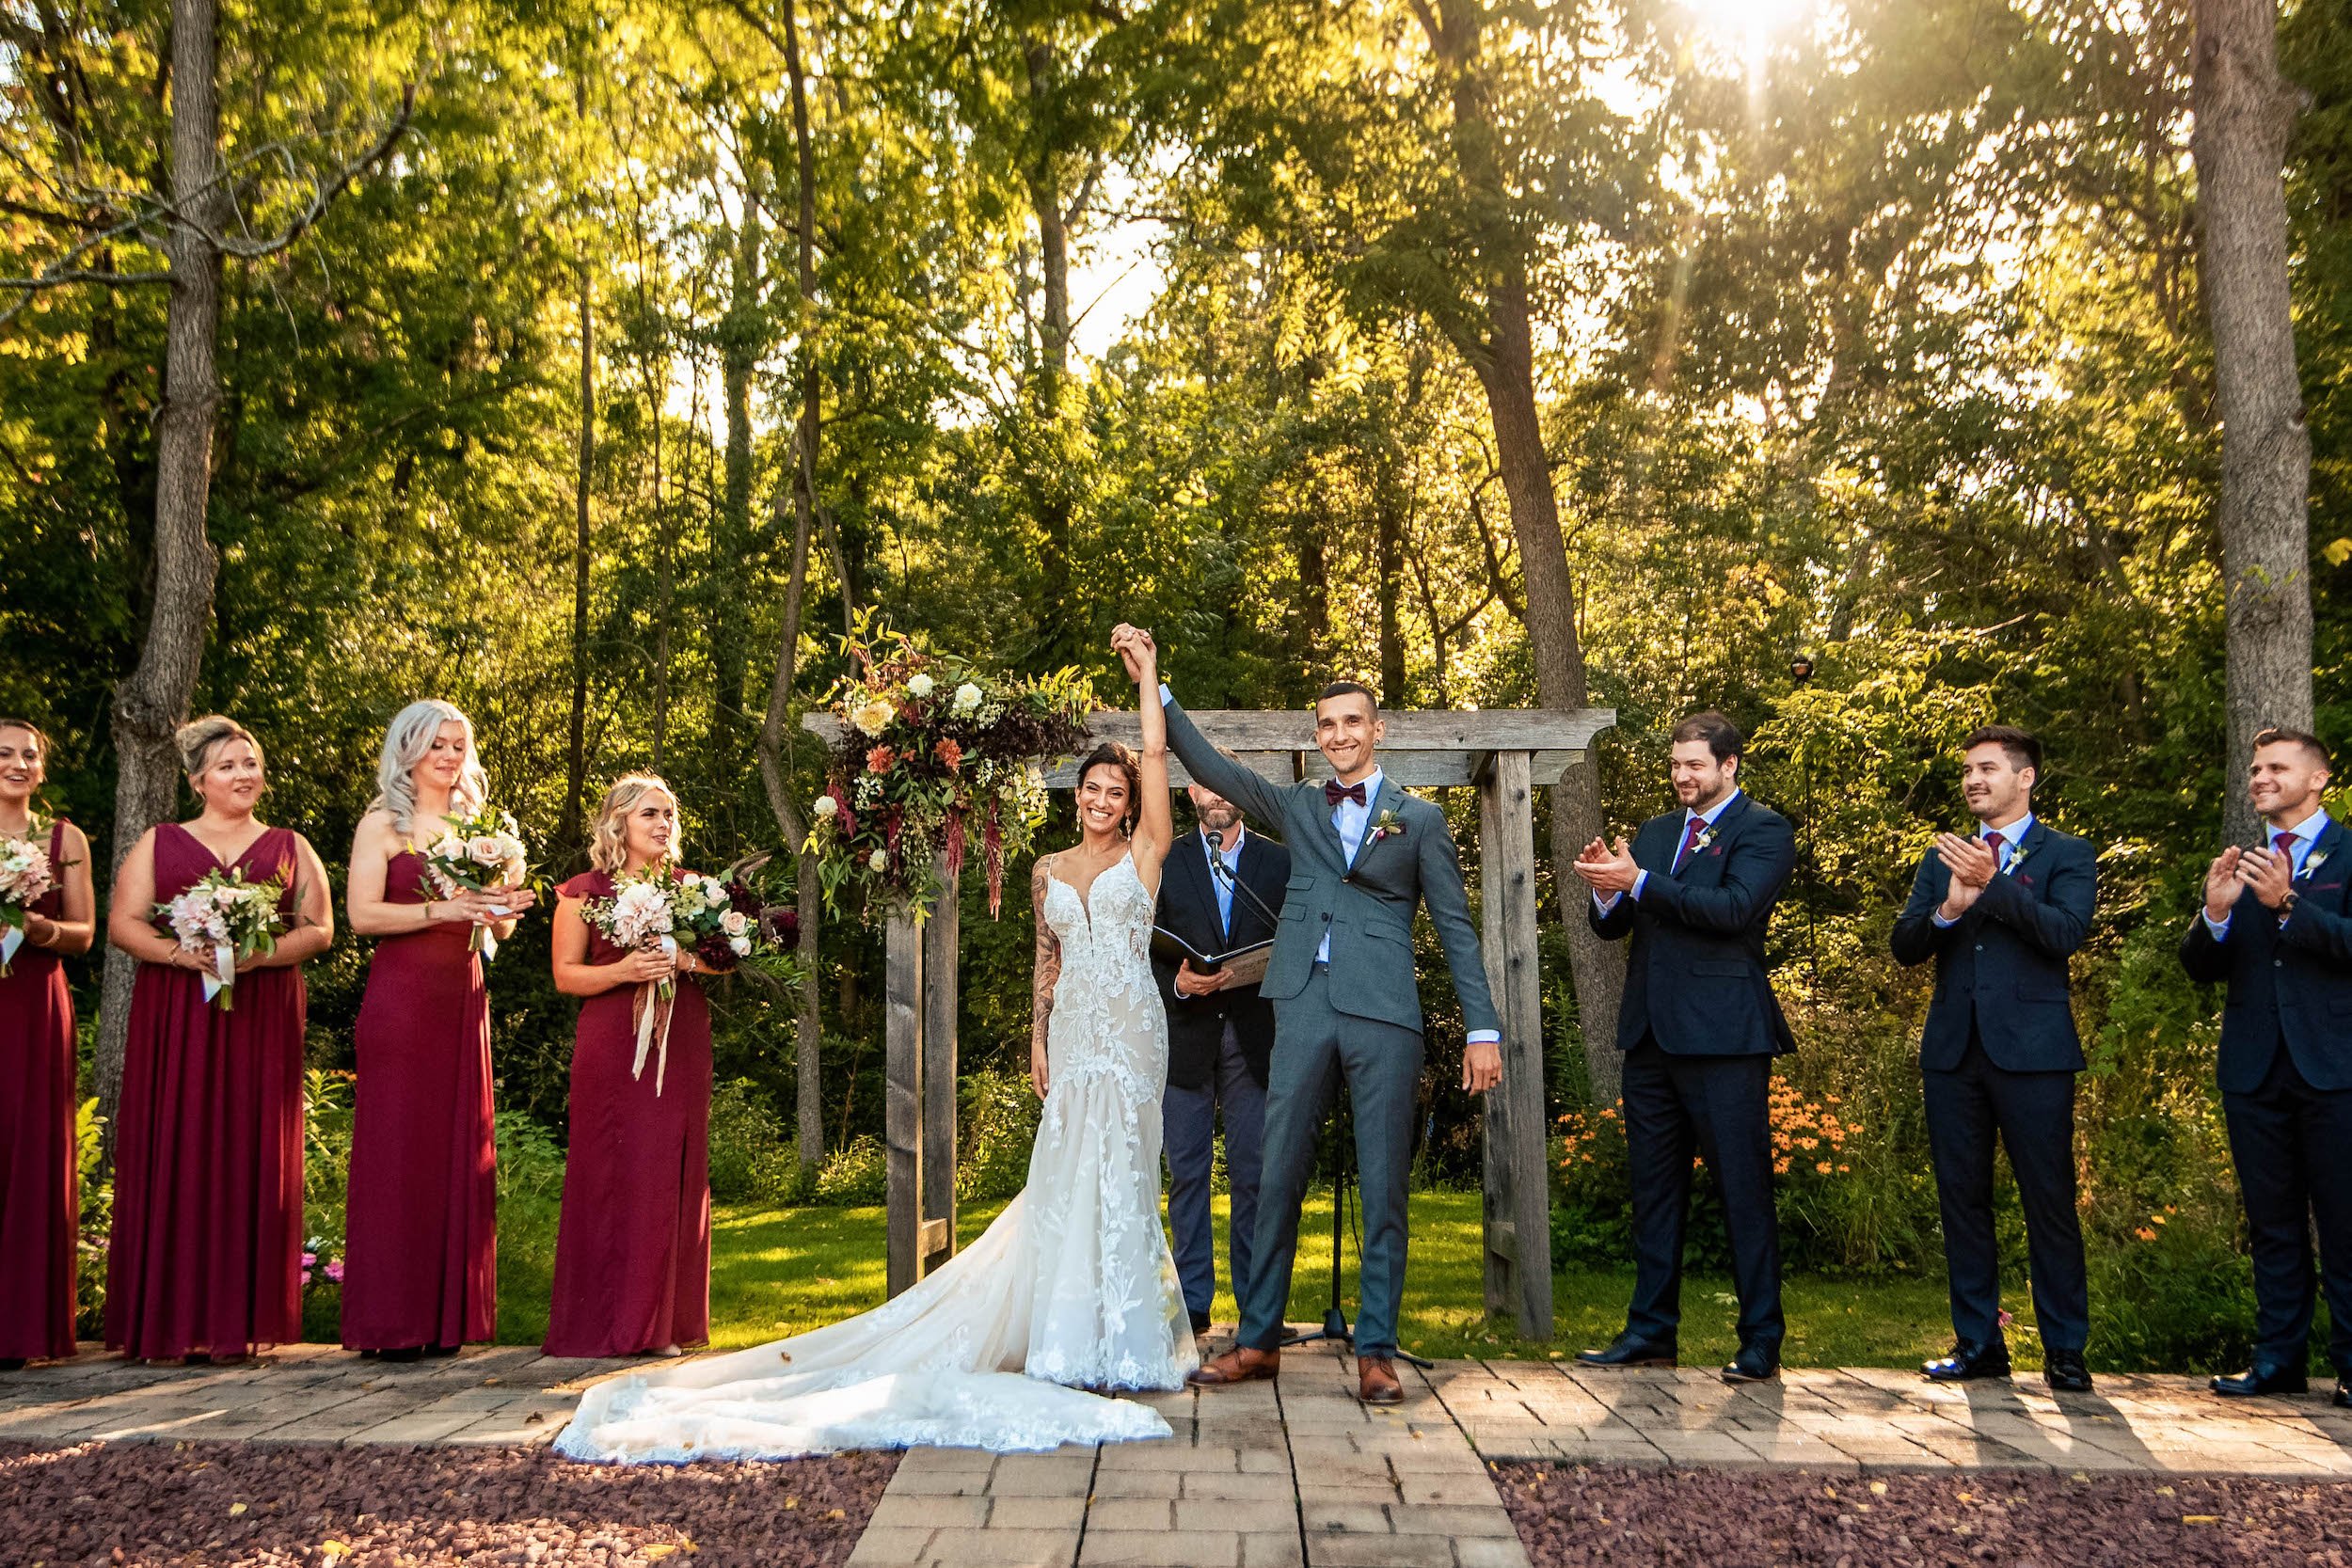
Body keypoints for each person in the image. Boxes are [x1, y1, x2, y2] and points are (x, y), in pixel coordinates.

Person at [554, 653, 1193, 1461]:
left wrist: (1147, 678)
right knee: (1066, 1173)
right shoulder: (1046, 871)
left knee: (1127, 1168)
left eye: (1116, 792)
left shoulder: (1147, 853)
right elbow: (1047, 959)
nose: (1102, 800)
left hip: (1131, 1030)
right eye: (1092, 789)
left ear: (1132, 803)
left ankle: (1128, 1340)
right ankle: (1068, 1339)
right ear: (1077, 797)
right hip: (1071, 1032)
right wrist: (1037, 1035)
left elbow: (1157, 754)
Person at [1143, 630, 1505, 1409]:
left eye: (1352, 722)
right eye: (1328, 724)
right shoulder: (1299, 804)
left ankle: (1376, 1350)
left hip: (1386, 1013)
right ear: (1317, 736)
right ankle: (1258, 1340)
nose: (1340, 735)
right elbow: (1213, 768)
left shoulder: (1419, 819)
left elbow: (1455, 928)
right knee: (1274, 1175)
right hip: (1301, 1005)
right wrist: (1156, 686)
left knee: (1384, 1183)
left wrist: (1483, 1029)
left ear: (1377, 730)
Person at [1571, 712, 1795, 1385]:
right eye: (1675, 764)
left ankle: (1761, 1338)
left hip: (1725, 1039)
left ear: (1730, 765)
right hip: (1650, 1038)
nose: (1681, 775)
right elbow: (1615, 927)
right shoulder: (1656, 833)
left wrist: (1637, 882)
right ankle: (1650, 1331)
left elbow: (1732, 909)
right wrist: (1605, 892)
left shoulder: (1764, 830)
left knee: (1742, 1191)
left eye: (1694, 764)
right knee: (1654, 1192)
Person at [104, 716, 334, 1363]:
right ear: (197, 779)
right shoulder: (161, 842)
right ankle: (169, 1321)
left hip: (262, 1012)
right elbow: (123, 923)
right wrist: (181, 955)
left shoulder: (290, 845)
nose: (244, 775)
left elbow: (319, 929)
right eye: (228, 765)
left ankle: (241, 1321)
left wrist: (262, 956)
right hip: (179, 1014)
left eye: (251, 762)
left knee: (249, 1146)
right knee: (178, 1142)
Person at [1891, 725, 2096, 1392]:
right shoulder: (1942, 857)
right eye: (1967, 771)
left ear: (2025, 776)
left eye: (1987, 768)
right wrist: (1949, 910)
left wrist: (1995, 884)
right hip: (1954, 1053)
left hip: (2035, 1055)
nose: (1973, 780)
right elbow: (1905, 944)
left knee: (2049, 1201)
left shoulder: (2067, 853)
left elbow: (2064, 934)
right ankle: (1979, 1343)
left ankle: (2065, 1350)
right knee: (1962, 1201)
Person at [342, 700, 534, 1361]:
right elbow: (363, 916)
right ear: (407, 750)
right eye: (436, 744)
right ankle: (390, 1322)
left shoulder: (481, 828)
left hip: (462, 997)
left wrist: (503, 907)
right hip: (401, 999)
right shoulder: (382, 823)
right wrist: (441, 909)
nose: (449, 756)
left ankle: (446, 1319)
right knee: (397, 1150)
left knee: (458, 1145)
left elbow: (496, 927)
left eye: (458, 745)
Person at [2181, 726, 2352, 1409]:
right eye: (2255, 769)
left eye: (2277, 767)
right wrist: (2215, 914)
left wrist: (2288, 903)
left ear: (2318, 779)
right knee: (2272, 1225)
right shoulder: (2244, 863)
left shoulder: (2348, 853)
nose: (2260, 778)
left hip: (2335, 1068)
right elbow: (2201, 968)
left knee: (2345, 1222)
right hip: (2254, 1068)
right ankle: (2278, 1361)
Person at [544, 774, 715, 1359]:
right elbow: (565, 975)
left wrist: (683, 959)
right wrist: (624, 971)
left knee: (668, 1169)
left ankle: (660, 1325)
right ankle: (605, 1323)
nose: (663, 824)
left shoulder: (694, 889)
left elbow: (726, 961)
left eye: (668, 815)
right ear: (618, 822)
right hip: (612, 1042)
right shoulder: (582, 893)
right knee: (612, 1168)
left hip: (681, 1039)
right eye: (650, 814)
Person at [1152, 783, 1288, 1338]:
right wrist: (1178, 983)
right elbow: (1141, 942)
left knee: (1254, 1174)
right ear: (1191, 794)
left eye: (1223, 784)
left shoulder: (1279, 862)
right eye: (1203, 786)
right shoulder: (1166, 859)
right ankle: (1193, 1302)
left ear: (1239, 792)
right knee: (1187, 1174)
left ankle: (1256, 1307)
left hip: (1255, 1037)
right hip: (1185, 1036)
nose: (1214, 797)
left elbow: (1300, 940)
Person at [0, 721, 95, 1370]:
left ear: (42, 768)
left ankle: (21, 1328)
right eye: (5, 753)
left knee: (32, 1147)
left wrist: (42, 930)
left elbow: (84, 932)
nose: (19, 763)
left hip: (36, 999)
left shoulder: (66, 839)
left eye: (29, 754)